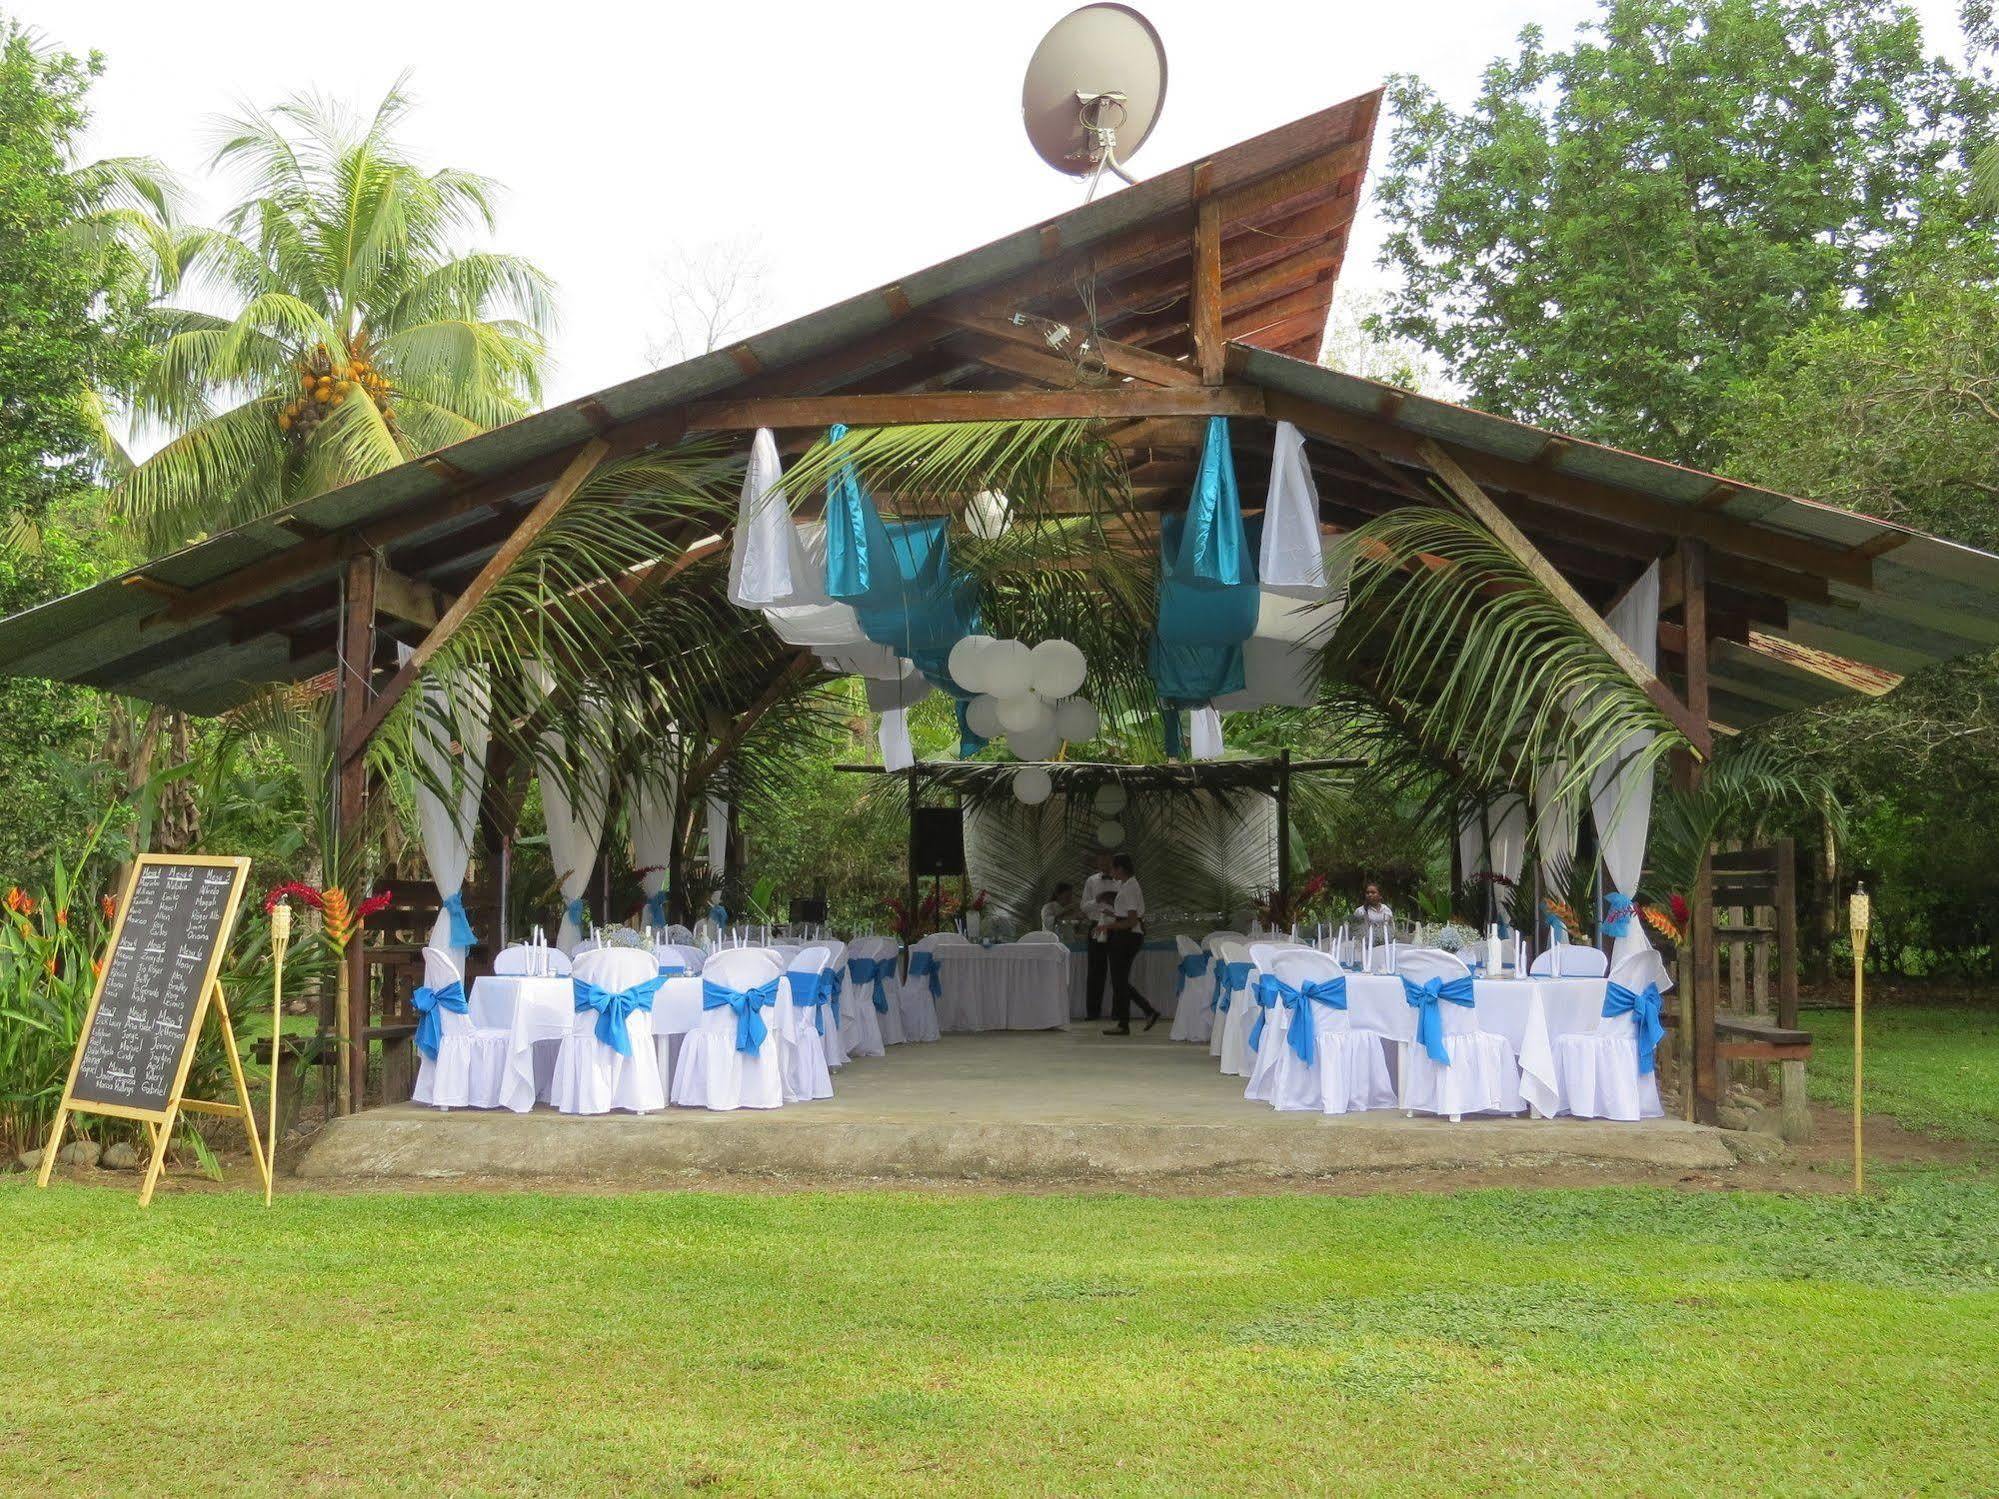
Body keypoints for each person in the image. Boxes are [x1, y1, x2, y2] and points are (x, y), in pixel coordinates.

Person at [1102, 852, 1161, 1035]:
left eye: (1113, 868)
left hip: (1127, 936)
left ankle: (1131, 1019)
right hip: (1127, 935)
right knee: (1119, 981)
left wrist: (1108, 927)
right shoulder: (1127, 885)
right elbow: (1127, 914)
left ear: (1120, 868)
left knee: (1119, 980)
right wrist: (1113, 916)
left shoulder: (1129, 887)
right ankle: (1131, 1019)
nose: (1111, 872)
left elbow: (1132, 920)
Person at [1080, 850, 1118, 1021]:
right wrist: (1098, 900)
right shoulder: (1091, 880)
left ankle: (1119, 1012)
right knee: (1096, 971)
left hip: (1118, 926)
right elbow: (1083, 907)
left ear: (1113, 860)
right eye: (1099, 860)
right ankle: (1092, 1013)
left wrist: (1113, 903)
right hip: (1096, 927)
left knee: (1119, 971)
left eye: (1106, 859)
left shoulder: (1122, 879)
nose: (1102, 863)